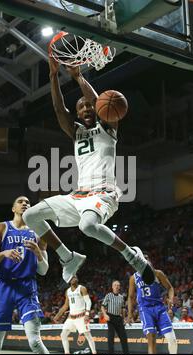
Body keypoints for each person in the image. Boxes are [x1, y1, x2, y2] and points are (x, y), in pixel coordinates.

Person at [23, 57, 154, 285]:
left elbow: (97, 100)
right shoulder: (76, 132)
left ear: (97, 110)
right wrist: (53, 75)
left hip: (103, 193)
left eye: (88, 105)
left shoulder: (108, 126)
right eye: (80, 106)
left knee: (87, 226)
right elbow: (58, 108)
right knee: (30, 216)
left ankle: (131, 255)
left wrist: (78, 76)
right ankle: (67, 257)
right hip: (78, 195)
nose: (85, 108)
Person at [0, 196, 49, 354]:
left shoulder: (39, 233)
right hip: (4, 285)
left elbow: (43, 270)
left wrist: (37, 253)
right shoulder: (1, 227)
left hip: (27, 287)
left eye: (28, 203)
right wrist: (4, 253)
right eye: (21, 202)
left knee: (34, 341)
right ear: (13, 208)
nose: (25, 204)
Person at [128, 257, 178, 354]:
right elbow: (130, 297)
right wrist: (129, 313)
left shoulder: (157, 273)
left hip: (159, 308)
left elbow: (170, 287)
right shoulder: (133, 278)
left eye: (147, 262)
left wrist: (171, 299)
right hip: (145, 309)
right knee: (151, 339)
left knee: (172, 340)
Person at [53, 275, 96, 354]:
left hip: (81, 316)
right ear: (69, 280)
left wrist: (87, 314)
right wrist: (58, 315)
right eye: (72, 278)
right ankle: (67, 352)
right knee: (63, 335)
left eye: (75, 277)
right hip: (71, 318)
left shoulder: (82, 288)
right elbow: (66, 305)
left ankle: (94, 352)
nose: (74, 278)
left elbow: (88, 302)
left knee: (88, 335)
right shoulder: (68, 291)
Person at [101, 280, 128, 354]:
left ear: (119, 287)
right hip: (110, 317)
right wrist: (105, 315)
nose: (117, 286)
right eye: (115, 285)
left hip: (119, 318)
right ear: (112, 287)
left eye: (118, 285)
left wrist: (124, 318)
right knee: (111, 338)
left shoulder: (121, 297)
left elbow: (123, 309)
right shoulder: (108, 295)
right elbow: (102, 307)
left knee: (124, 338)